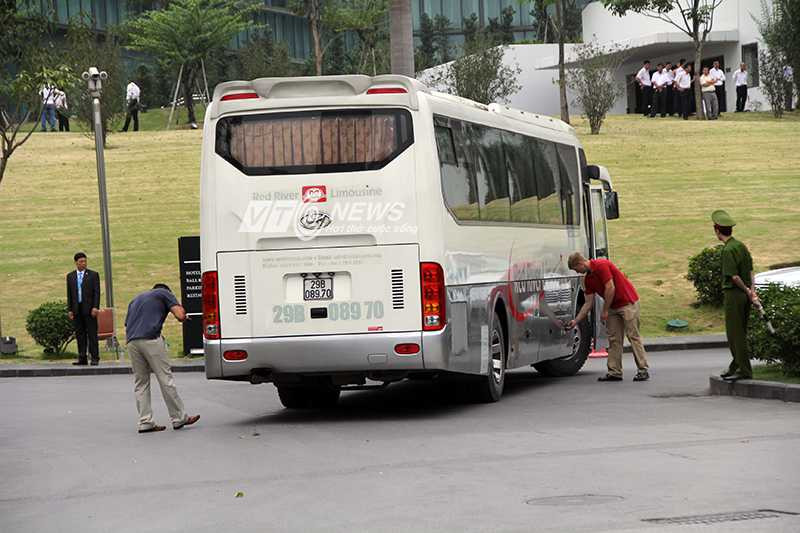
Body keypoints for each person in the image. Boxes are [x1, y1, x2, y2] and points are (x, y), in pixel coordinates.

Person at [125, 284, 200, 433]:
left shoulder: (135, 299)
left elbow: (127, 323)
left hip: (132, 341)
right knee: (165, 379)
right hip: (151, 339)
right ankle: (179, 418)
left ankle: (145, 421)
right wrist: (184, 316)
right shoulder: (164, 293)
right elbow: (179, 315)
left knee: (141, 382)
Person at [566, 253, 650, 382]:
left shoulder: (601, 265)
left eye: (576, 269)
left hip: (627, 302)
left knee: (633, 336)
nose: (577, 272)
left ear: (580, 263)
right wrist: (575, 321)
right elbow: (588, 303)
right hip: (612, 306)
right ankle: (615, 372)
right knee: (614, 339)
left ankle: (643, 369)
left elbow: (610, 288)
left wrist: (605, 310)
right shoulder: (588, 279)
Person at [712, 210, 757, 381]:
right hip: (745, 295)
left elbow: (734, 277)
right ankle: (735, 366)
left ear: (717, 230)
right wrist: (752, 291)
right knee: (741, 332)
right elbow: (750, 270)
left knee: (734, 335)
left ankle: (744, 370)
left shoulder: (727, 250)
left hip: (734, 295)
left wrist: (746, 290)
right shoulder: (740, 245)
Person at [66, 252, 101, 365]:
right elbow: (70, 294)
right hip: (77, 309)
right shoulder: (70, 276)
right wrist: (70, 309)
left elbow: (96, 292)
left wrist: (95, 307)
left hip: (89, 309)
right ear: (76, 263)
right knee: (80, 334)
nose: (83, 263)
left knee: (92, 334)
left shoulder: (93, 275)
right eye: (81, 261)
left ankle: (94, 357)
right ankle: (82, 357)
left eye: (85, 261)